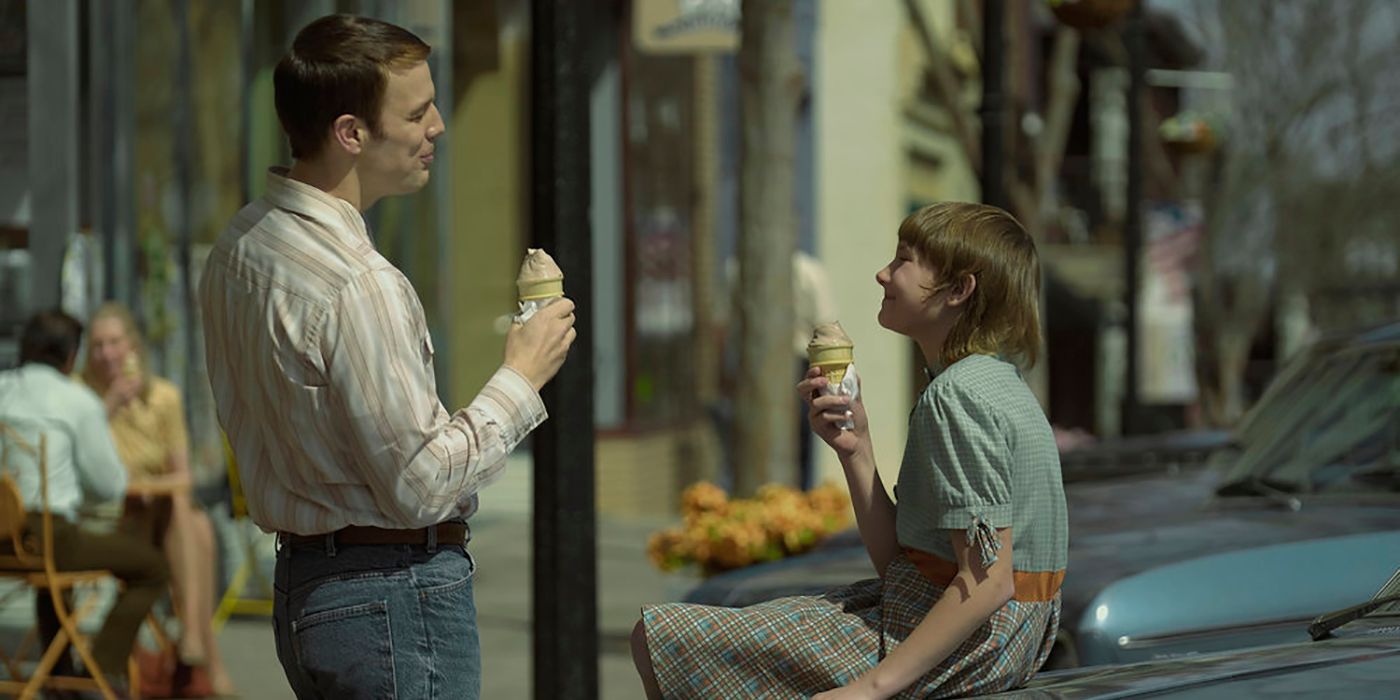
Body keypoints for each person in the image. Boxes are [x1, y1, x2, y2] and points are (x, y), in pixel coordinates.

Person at [198, 14, 576, 700]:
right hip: (391, 593)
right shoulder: (358, 282)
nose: (438, 126)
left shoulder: (241, 247)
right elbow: (422, 486)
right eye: (417, 112)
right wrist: (521, 377)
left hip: (310, 588)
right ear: (351, 132)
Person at [632, 202, 1068, 698]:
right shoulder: (996, 382)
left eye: (904, 260)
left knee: (661, 639)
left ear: (958, 289)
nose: (883, 274)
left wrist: (868, 689)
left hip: (975, 644)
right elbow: (908, 569)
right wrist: (856, 449)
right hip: (988, 637)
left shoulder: (957, 396)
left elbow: (989, 580)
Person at [0, 310, 169, 687]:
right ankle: (99, 670)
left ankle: (59, 677)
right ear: (71, 356)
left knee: (55, 580)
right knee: (153, 567)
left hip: (3, 538)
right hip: (47, 534)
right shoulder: (76, 400)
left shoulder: (3, 387)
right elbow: (110, 486)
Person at [81, 301, 232, 696]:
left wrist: (154, 486)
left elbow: (183, 475)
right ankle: (202, 651)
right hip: (110, 518)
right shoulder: (84, 398)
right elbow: (84, 462)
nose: (106, 353)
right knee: (198, 527)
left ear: (132, 346)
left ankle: (194, 641)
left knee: (192, 517)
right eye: (97, 345)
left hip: (160, 514)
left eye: (114, 342)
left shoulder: (163, 396)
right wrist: (110, 406)